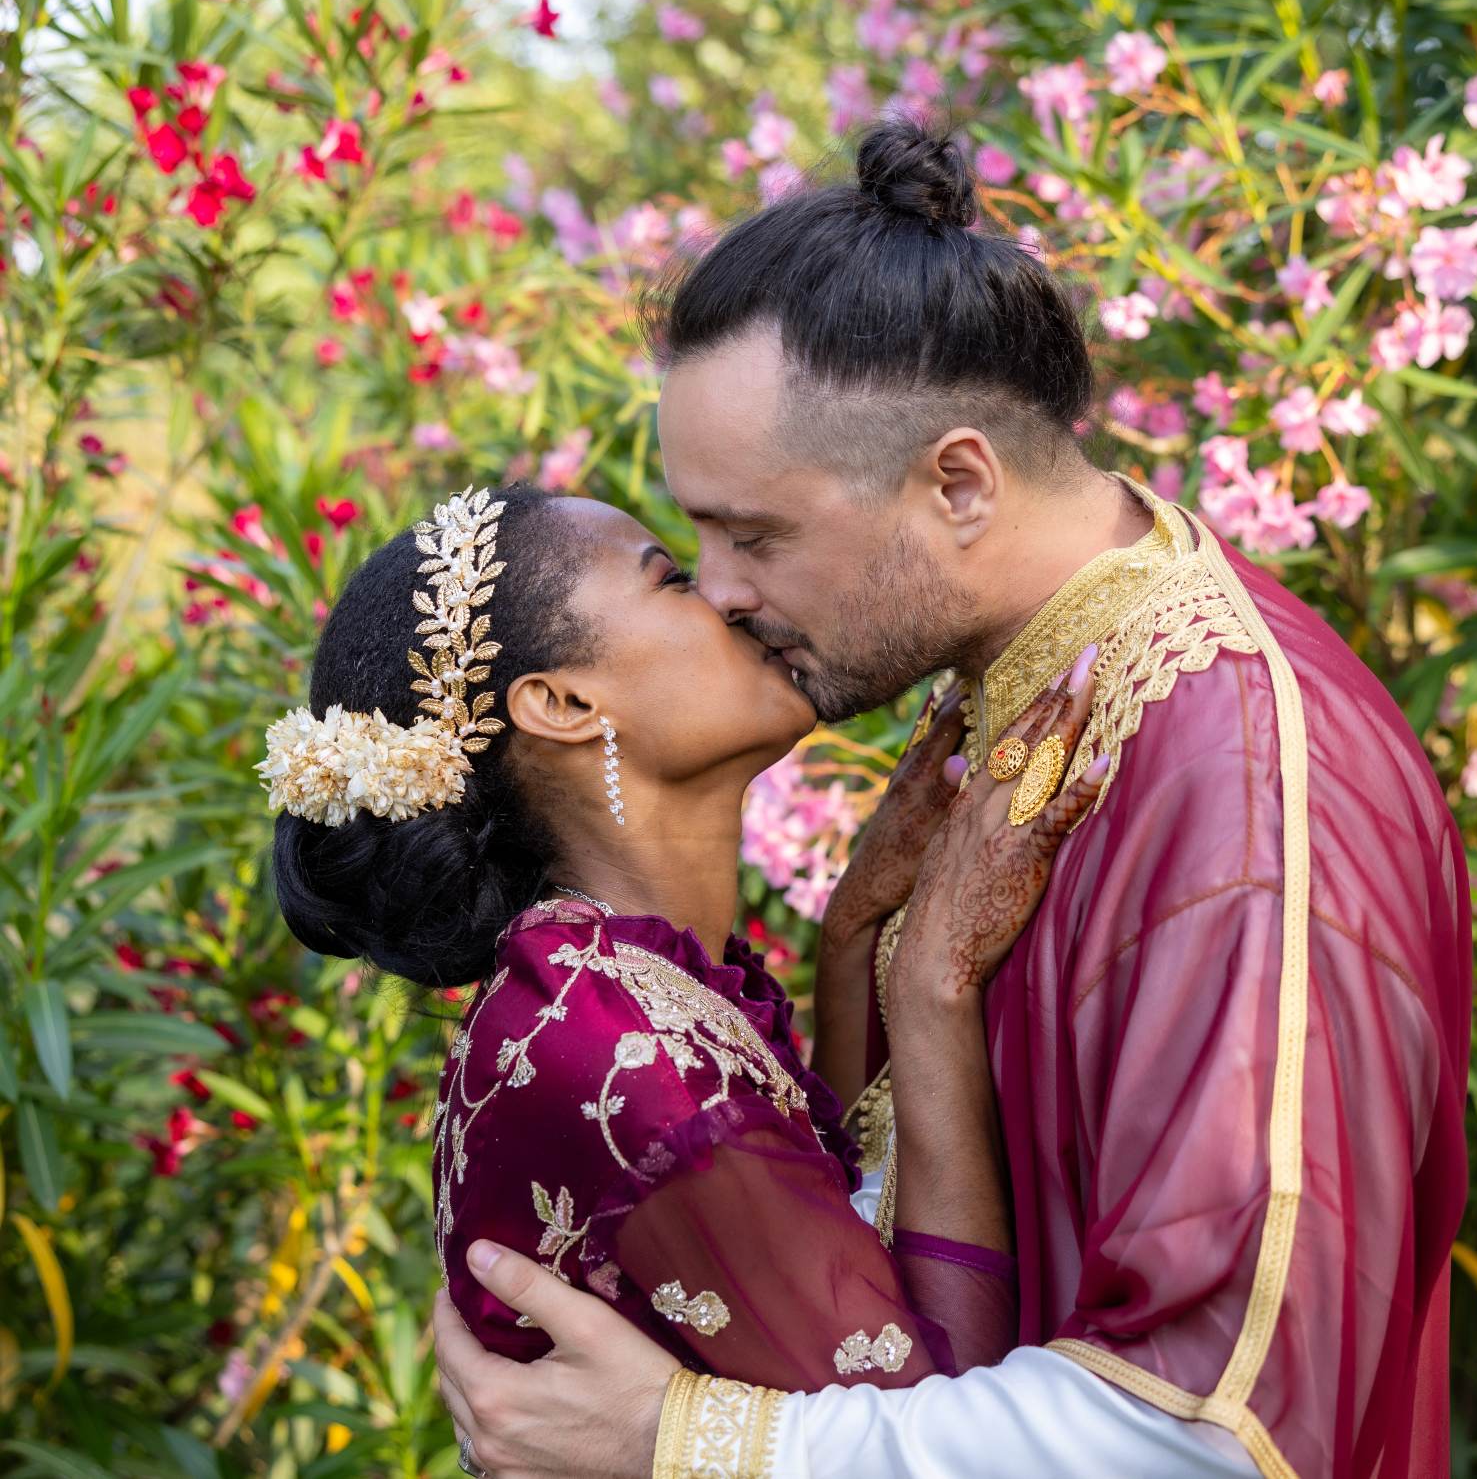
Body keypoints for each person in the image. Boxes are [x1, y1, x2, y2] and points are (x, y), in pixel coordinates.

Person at [432, 119, 1473, 1479]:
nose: (722, 591)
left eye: (755, 533)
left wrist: (684, 1442)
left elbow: (1219, 1433)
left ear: (960, 483)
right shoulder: (1020, 689)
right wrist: (879, 966)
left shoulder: (1245, 789)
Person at [258, 481, 1108, 1445]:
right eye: (670, 578)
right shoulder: (618, 1054)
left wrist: (855, 932)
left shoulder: (601, 984)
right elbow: (937, 1427)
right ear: (566, 704)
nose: (730, 594)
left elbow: (807, 1225)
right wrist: (931, 987)